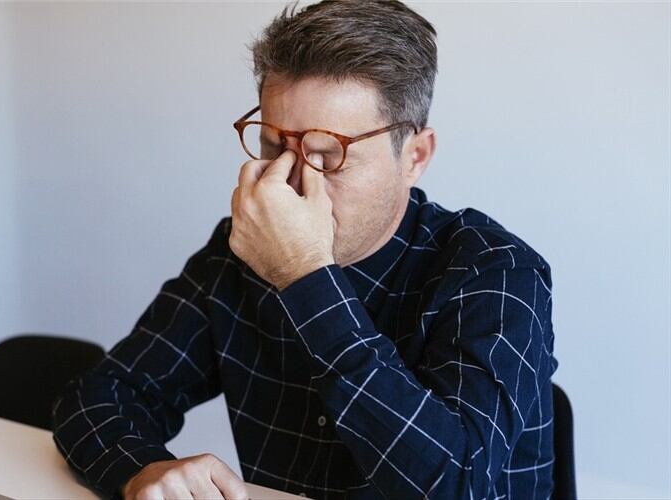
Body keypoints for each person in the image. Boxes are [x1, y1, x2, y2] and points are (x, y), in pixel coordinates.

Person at [52, 1, 558, 499]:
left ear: (415, 156)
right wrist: (141, 468)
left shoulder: (496, 272)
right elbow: (101, 396)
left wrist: (305, 278)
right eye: (274, 147)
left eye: (328, 155)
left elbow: (457, 483)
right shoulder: (242, 252)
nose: (289, 183)